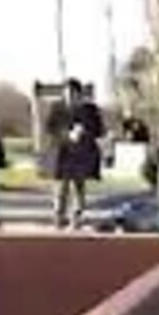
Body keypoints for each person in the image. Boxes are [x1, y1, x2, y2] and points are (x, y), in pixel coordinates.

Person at [48, 79, 105, 229]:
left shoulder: (90, 110)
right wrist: (67, 134)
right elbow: (51, 129)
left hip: (82, 155)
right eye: (67, 94)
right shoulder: (57, 108)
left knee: (78, 187)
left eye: (73, 95)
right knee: (61, 187)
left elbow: (99, 130)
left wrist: (84, 132)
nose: (70, 98)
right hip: (64, 154)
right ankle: (58, 217)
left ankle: (76, 218)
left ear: (79, 95)